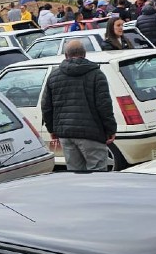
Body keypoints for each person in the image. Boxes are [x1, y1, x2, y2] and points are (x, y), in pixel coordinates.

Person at [39, 40, 116, 172]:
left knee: (75, 173)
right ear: (84, 54)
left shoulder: (54, 75)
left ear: (66, 55)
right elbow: (104, 105)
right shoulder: (96, 74)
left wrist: (52, 129)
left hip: (66, 134)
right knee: (98, 172)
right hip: (92, 133)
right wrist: (110, 129)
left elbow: (46, 106)